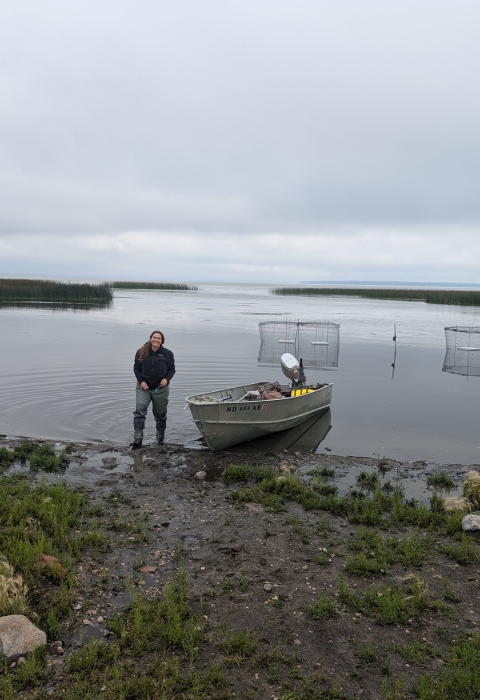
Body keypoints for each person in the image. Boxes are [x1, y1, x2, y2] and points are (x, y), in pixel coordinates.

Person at [130, 330, 175, 448]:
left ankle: (160, 439)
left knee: (160, 415)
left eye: (158, 338)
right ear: (150, 338)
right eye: (154, 338)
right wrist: (141, 381)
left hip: (161, 389)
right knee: (139, 413)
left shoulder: (167, 354)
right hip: (143, 387)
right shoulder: (141, 352)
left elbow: (171, 370)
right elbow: (136, 369)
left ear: (162, 341)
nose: (156, 340)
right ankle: (137, 440)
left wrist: (167, 379)